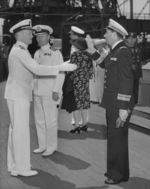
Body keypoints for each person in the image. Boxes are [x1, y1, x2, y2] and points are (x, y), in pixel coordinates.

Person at [4, 19, 77, 177]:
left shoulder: (20, 50)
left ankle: (14, 164)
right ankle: (21, 168)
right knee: (20, 132)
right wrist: (61, 67)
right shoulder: (20, 51)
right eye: (30, 33)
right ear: (21, 34)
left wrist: (57, 87)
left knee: (15, 130)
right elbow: (37, 69)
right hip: (20, 95)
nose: (33, 36)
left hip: (20, 94)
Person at [86, 19, 135, 184]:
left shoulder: (123, 51)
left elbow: (126, 80)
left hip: (118, 104)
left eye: (106, 32)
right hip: (113, 103)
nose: (104, 35)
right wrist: (92, 51)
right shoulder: (115, 51)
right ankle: (121, 173)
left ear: (114, 33)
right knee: (116, 138)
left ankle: (116, 175)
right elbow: (103, 65)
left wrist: (123, 108)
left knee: (116, 140)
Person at [32, 25, 65, 156]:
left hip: (49, 91)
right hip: (37, 91)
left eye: (42, 36)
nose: (39, 39)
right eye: (37, 37)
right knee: (39, 119)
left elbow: (61, 72)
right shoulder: (36, 53)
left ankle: (51, 146)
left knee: (50, 120)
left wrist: (56, 90)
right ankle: (42, 145)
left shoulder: (55, 53)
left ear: (48, 37)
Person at [62, 37, 93, 133]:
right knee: (84, 104)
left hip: (75, 82)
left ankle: (76, 126)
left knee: (75, 104)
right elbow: (91, 71)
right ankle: (84, 124)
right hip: (85, 82)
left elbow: (71, 68)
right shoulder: (88, 56)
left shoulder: (74, 55)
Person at [68, 26, 89, 125]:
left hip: (76, 76)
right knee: (83, 97)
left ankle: (80, 119)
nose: (70, 35)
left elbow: (72, 63)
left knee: (77, 97)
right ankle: (79, 119)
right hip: (83, 76)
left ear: (75, 35)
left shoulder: (80, 45)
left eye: (71, 34)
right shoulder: (78, 46)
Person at [125, 32, 143, 104]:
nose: (132, 40)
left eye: (133, 39)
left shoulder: (137, 50)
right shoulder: (124, 49)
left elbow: (139, 64)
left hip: (136, 75)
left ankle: (134, 103)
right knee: (128, 91)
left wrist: (140, 76)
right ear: (126, 39)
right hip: (128, 74)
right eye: (130, 38)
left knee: (135, 92)